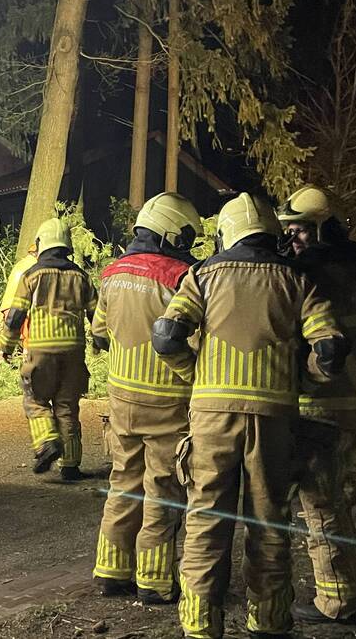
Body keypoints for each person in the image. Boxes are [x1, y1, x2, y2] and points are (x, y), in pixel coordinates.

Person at [153, 192, 350, 639]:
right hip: (274, 420)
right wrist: (303, 380)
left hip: (211, 420)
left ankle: (201, 625)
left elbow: (166, 336)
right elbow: (330, 348)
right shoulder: (297, 279)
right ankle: (268, 622)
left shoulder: (201, 275)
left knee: (205, 520)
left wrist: (196, 374)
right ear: (272, 234)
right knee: (269, 523)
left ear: (226, 233)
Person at [278, 185, 356, 623]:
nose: (293, 239)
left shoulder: (315, 274)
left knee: (321, 498)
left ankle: (339, 599)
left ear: (322, 228)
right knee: (348, 488)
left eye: (300, 230)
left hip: (326, 403)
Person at [90, 193, 202, 603]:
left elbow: (100, 331)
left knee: (122, 482)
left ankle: (109, 571)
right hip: (169, 401)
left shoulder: (112, 272)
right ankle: (153, 581)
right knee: (161, 489)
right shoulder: (182, 276)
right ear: (174, 232)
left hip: (122, 397)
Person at [1, 218, 97, 480]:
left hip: (41, 348)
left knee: (36, 399)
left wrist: (6, 346)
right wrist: (100, 341)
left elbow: (16, 315)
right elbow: (96, 315)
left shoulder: (31, 275)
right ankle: (71, 465)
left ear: (41, 244)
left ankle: (46, 442)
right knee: (67, 406)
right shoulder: (81, 276)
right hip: (74, 350)